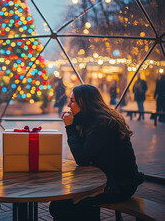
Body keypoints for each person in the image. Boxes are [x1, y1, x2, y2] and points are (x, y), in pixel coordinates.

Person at [49, 84, 144, 221]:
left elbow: (82, 159)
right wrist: (75, 124)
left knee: (61, 206)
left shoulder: (102, 123)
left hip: (119, 185)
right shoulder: (92, 119)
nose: (69, 105)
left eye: (73, 101)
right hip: (106, 179)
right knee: (60, 204)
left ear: (85, 102)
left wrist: (70, 127)